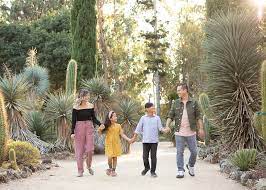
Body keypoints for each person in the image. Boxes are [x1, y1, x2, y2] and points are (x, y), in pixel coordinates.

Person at [166, 83, 204, 178]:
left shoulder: (194, 102)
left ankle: (190, 165)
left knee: (194, 152)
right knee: (179, 152)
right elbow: (170, 116)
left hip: (191, 132)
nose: (177, 92)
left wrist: (201, 129)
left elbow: (199, 117)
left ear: (185, 90)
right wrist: (167, 126)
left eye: (179, 90)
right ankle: (180, 170)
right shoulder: (176, 103)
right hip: (179, 132)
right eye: (177, 90)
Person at [71, 89, 105, 177]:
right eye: (86, 96)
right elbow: (73, 120)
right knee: (79, 150)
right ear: (82, 97)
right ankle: (80, 171)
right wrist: (72, 132)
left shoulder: (91, 105)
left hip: (89, 127)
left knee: (90, 149)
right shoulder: (76, 107)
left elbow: (93, 118)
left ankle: (89, 166)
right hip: (79, 127)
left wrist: (100, 124)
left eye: (88, 96)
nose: (88, 97)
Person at [130, 102, 170, 178]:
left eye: (154, 107)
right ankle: (147, 167)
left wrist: (166, 130)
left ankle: (153, 172)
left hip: (154, 141)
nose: (154, 108)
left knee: (153, 157)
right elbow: (138, 129)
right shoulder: (143, 118)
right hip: (145, 141)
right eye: (152, 107)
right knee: (145, 157)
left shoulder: (157, 118)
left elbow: (160, 128)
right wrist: (133, 138)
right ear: (147, 109)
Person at [98, 111, 131, 177]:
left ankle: (113, 170)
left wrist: (129, 139)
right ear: (110, 118)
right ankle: (110, 168)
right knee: (110, 157)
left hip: (116, 144)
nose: (116, 117)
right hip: (109, 144)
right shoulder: (106, 126)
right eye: (114, 116)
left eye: (116, 116)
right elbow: (100, 133)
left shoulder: (118, 126)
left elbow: (122, 134)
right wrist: (100, 129)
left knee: (115, 157)